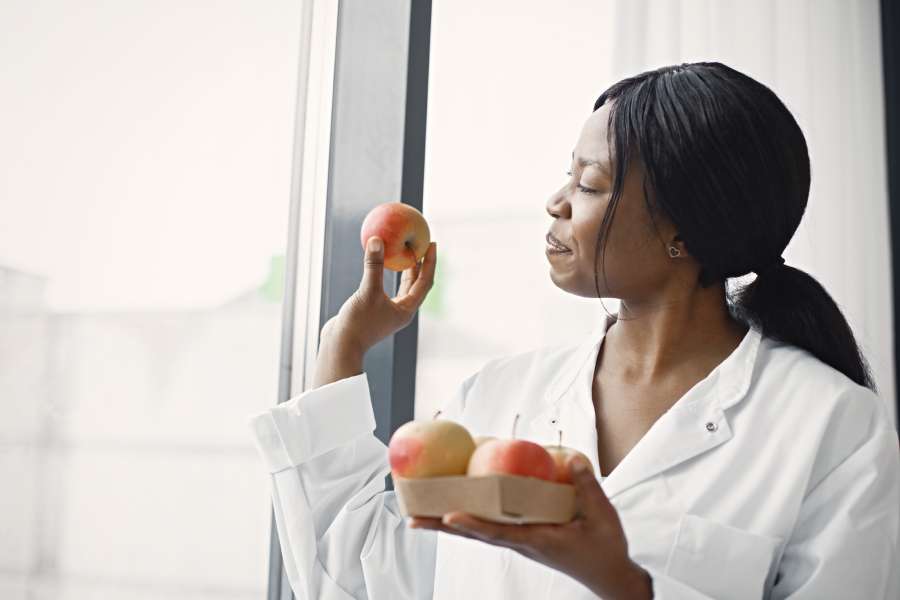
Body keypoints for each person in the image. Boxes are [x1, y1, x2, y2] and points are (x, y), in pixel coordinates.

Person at [248, 62, 900, 599]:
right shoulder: (496, 399)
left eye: (590, 183)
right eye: (570, 173)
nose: (556, 201)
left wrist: (622, 585)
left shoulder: (832, 428)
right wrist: (344, 347)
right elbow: (363, 579)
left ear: (684, 234)